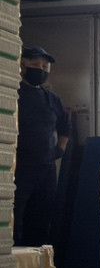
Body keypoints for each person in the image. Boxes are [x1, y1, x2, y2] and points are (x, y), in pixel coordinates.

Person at [15, 45, 71, 246]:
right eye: (35, 64)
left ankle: (35, 259)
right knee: (15, 216)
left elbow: (65, 127)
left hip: (46, 169)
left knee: (42, 217)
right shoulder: (13, 95)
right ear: (23, 65)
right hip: (19, 168)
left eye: (44, 66)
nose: (40, 69)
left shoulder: (52, 99)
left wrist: (60, 149)